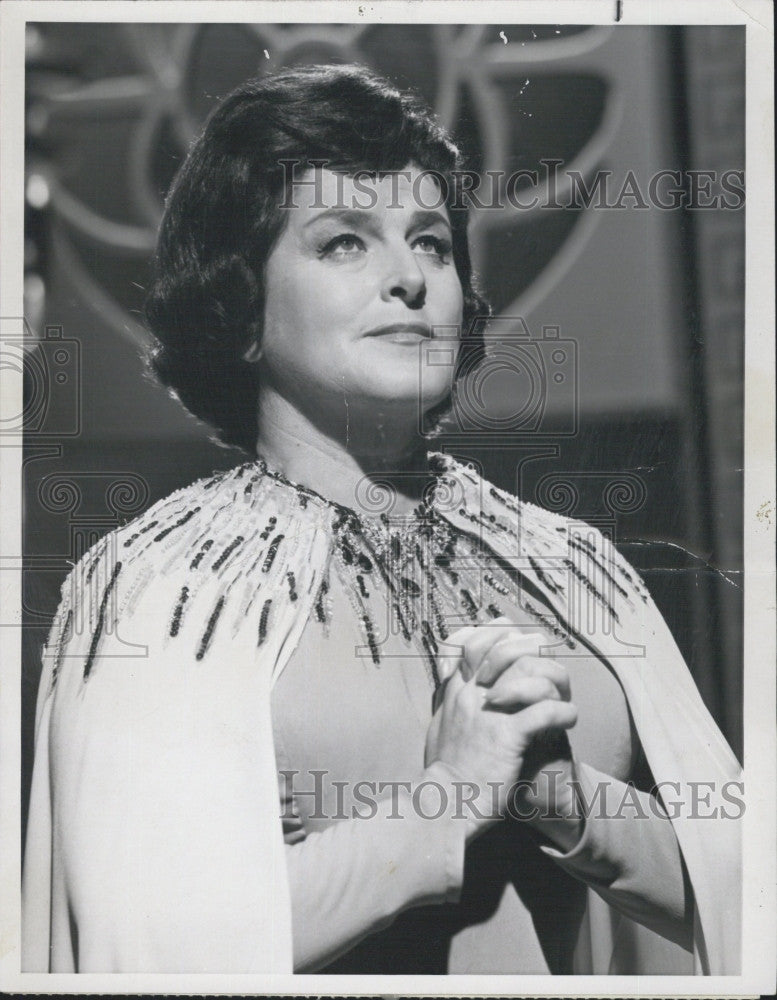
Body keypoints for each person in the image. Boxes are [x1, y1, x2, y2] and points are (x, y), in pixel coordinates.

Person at [22, 64, 741, 976]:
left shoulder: (571, 561)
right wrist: (443, 800)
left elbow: (741, 902)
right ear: (241, 304)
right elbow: (153, 950)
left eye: (432, 243)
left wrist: (564, 799)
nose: (409, 278)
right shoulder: (163, 588)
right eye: (344, 244)